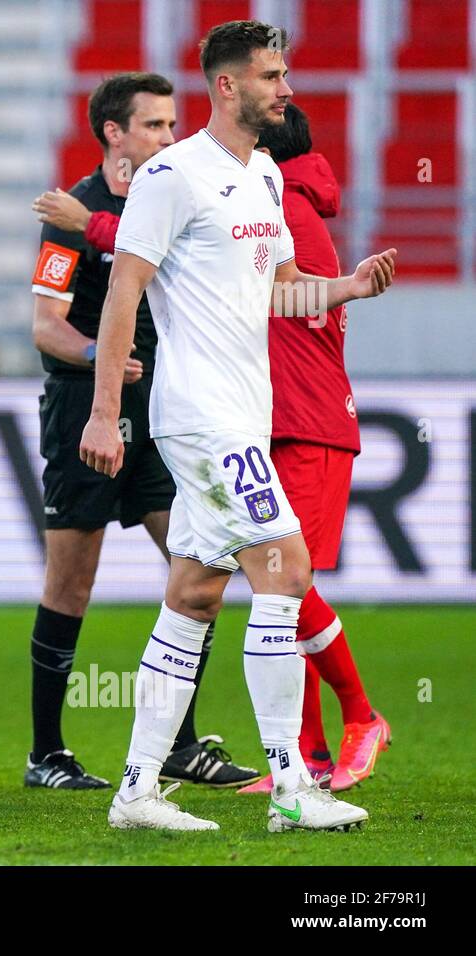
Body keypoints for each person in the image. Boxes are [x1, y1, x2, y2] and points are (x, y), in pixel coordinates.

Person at [81, 20, 396, 832]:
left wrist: (348, 288)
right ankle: (294, 786)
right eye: (271, 76)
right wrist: (106, 412)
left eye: (284, 74)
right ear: (226, 86)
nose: (285, 89)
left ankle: (136, 792)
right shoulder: (172, 176)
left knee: (192, 594)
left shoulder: (262, 176)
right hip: (200, 417)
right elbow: (124, 296)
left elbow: (279, 294)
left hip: (244, 417)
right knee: (286, 571)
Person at [25, 72, 258, 790]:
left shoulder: (174, 198)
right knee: (71, 585)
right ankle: (47, 754)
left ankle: (181, 744)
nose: (168, 137)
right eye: (153, 126)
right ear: (113, 135)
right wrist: (100, 355)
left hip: (165, 413)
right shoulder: (75, 213)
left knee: (197, 571)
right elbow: (44, 327)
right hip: (84, 411)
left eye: (171, 124)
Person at [237, 103, 389, 793]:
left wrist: (94, 226)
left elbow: (273, 294)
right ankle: (307, 756)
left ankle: (362, 716)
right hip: (284, 421)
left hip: (309, 423)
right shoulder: (287, 205)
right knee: (277, 588)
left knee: (285, 585)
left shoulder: (284, 213)